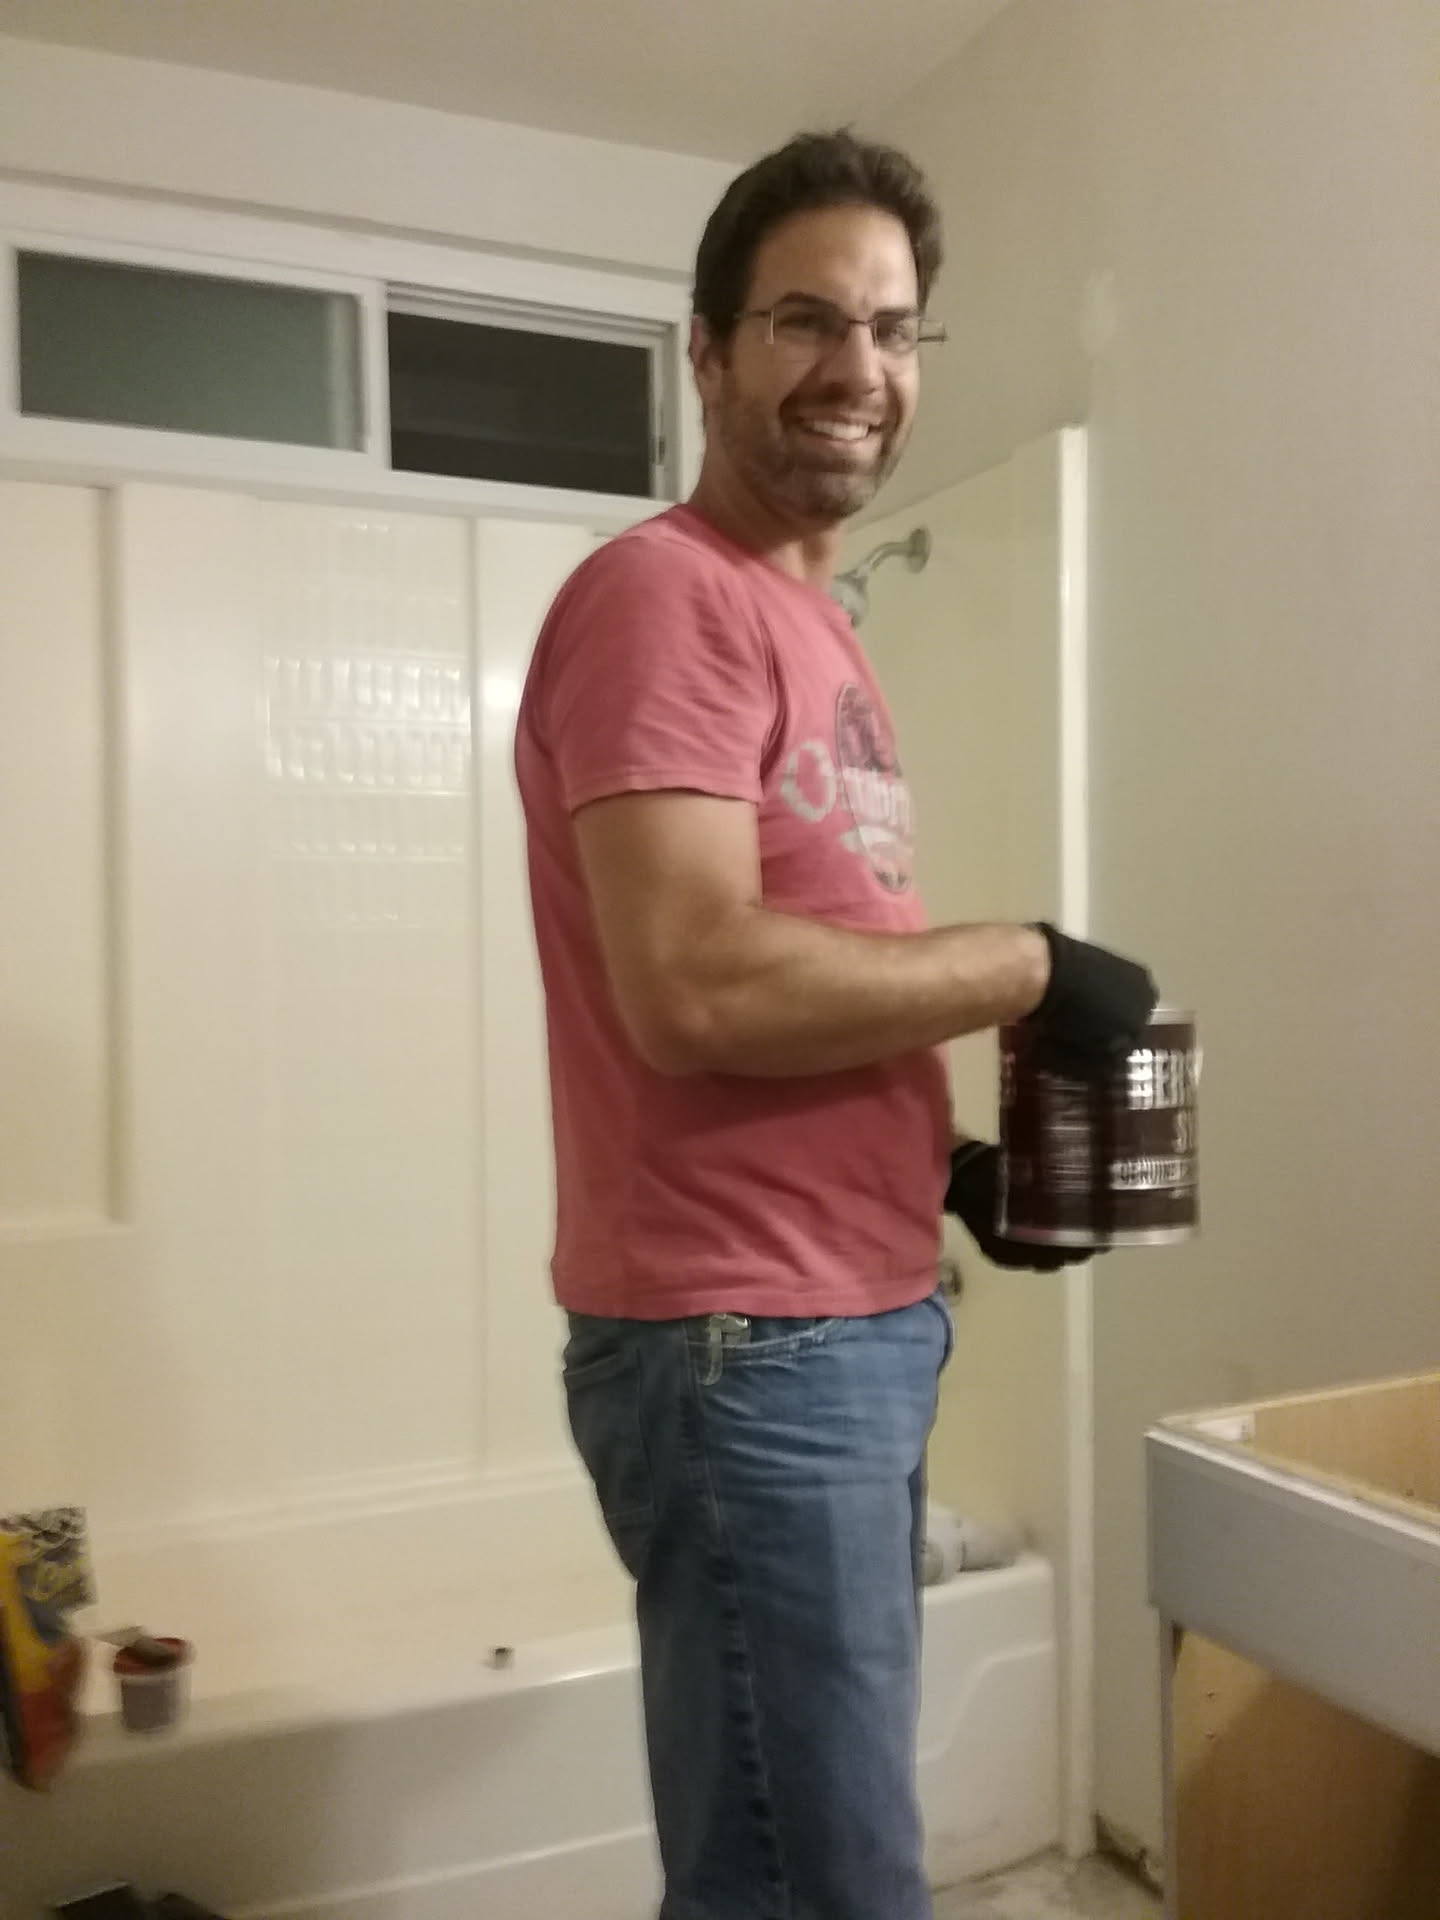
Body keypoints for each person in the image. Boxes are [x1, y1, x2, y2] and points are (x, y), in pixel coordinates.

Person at [515, 129, 1155, 1920]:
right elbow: (697, 982)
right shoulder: (668, 597)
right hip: (753, 1347)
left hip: (827, 1324)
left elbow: (794, 980)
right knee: (830, 1888)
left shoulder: (813, 622)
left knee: (785, 1865)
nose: (857, 367)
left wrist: (940, 1164)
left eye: (890, 327)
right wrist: (1030, 966)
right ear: (708, 352)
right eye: (805, 319)